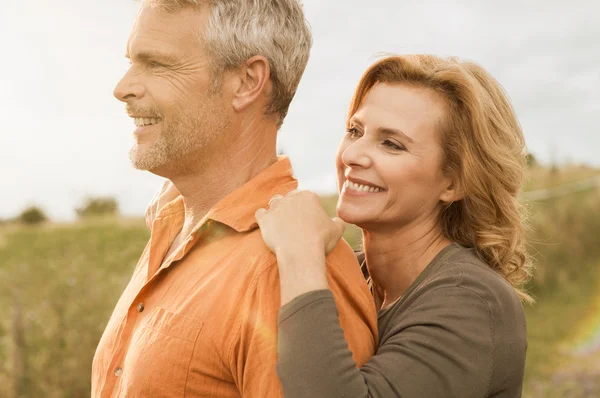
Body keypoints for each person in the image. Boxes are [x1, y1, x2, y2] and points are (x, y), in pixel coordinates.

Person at [91, 1, 378, 397]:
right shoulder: (171, 222)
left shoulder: (295, 269)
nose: (122, 88)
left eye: (157, 65)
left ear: (247, 82)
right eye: (132, 61)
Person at [254, 54, 531, 397]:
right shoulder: (351, 274)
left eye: (392, 144)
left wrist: (299, 253)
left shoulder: (472, 301)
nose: (353, 155)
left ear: (454, 183)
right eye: (355, 131)